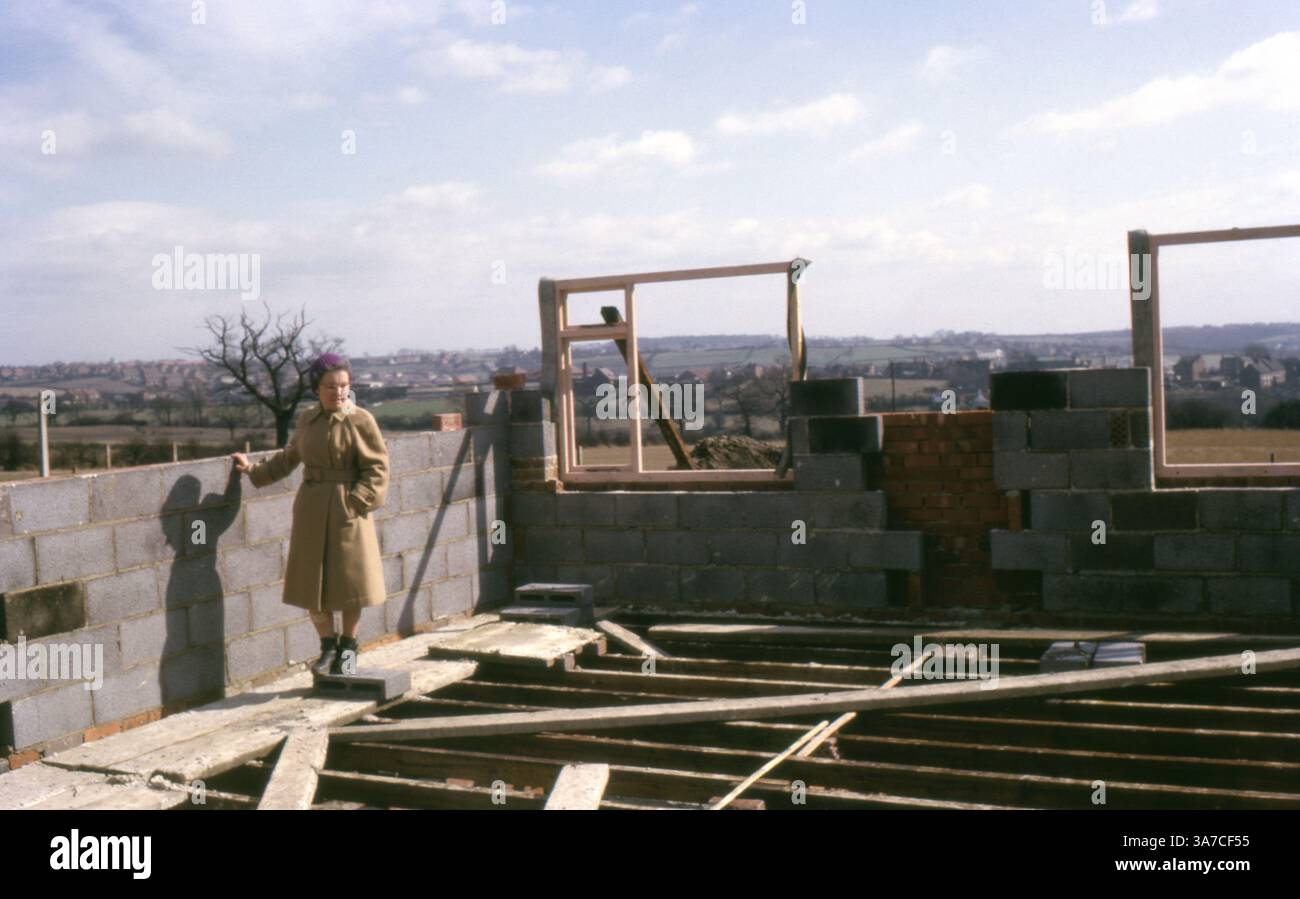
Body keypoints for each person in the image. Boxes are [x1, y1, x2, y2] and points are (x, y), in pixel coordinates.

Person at [231, 353, 389, 676]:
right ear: (316, 388)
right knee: (311, 583)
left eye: (344, 385)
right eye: (330, 386)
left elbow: (378, 467)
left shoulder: (361, 421)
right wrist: (252, 471)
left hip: (349, 511)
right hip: (311, 510)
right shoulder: (307, 420)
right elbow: (289, 458)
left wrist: (357, 501)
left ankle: (349, 650)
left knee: (349, 584)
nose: (339, 392)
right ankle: (327, 647)